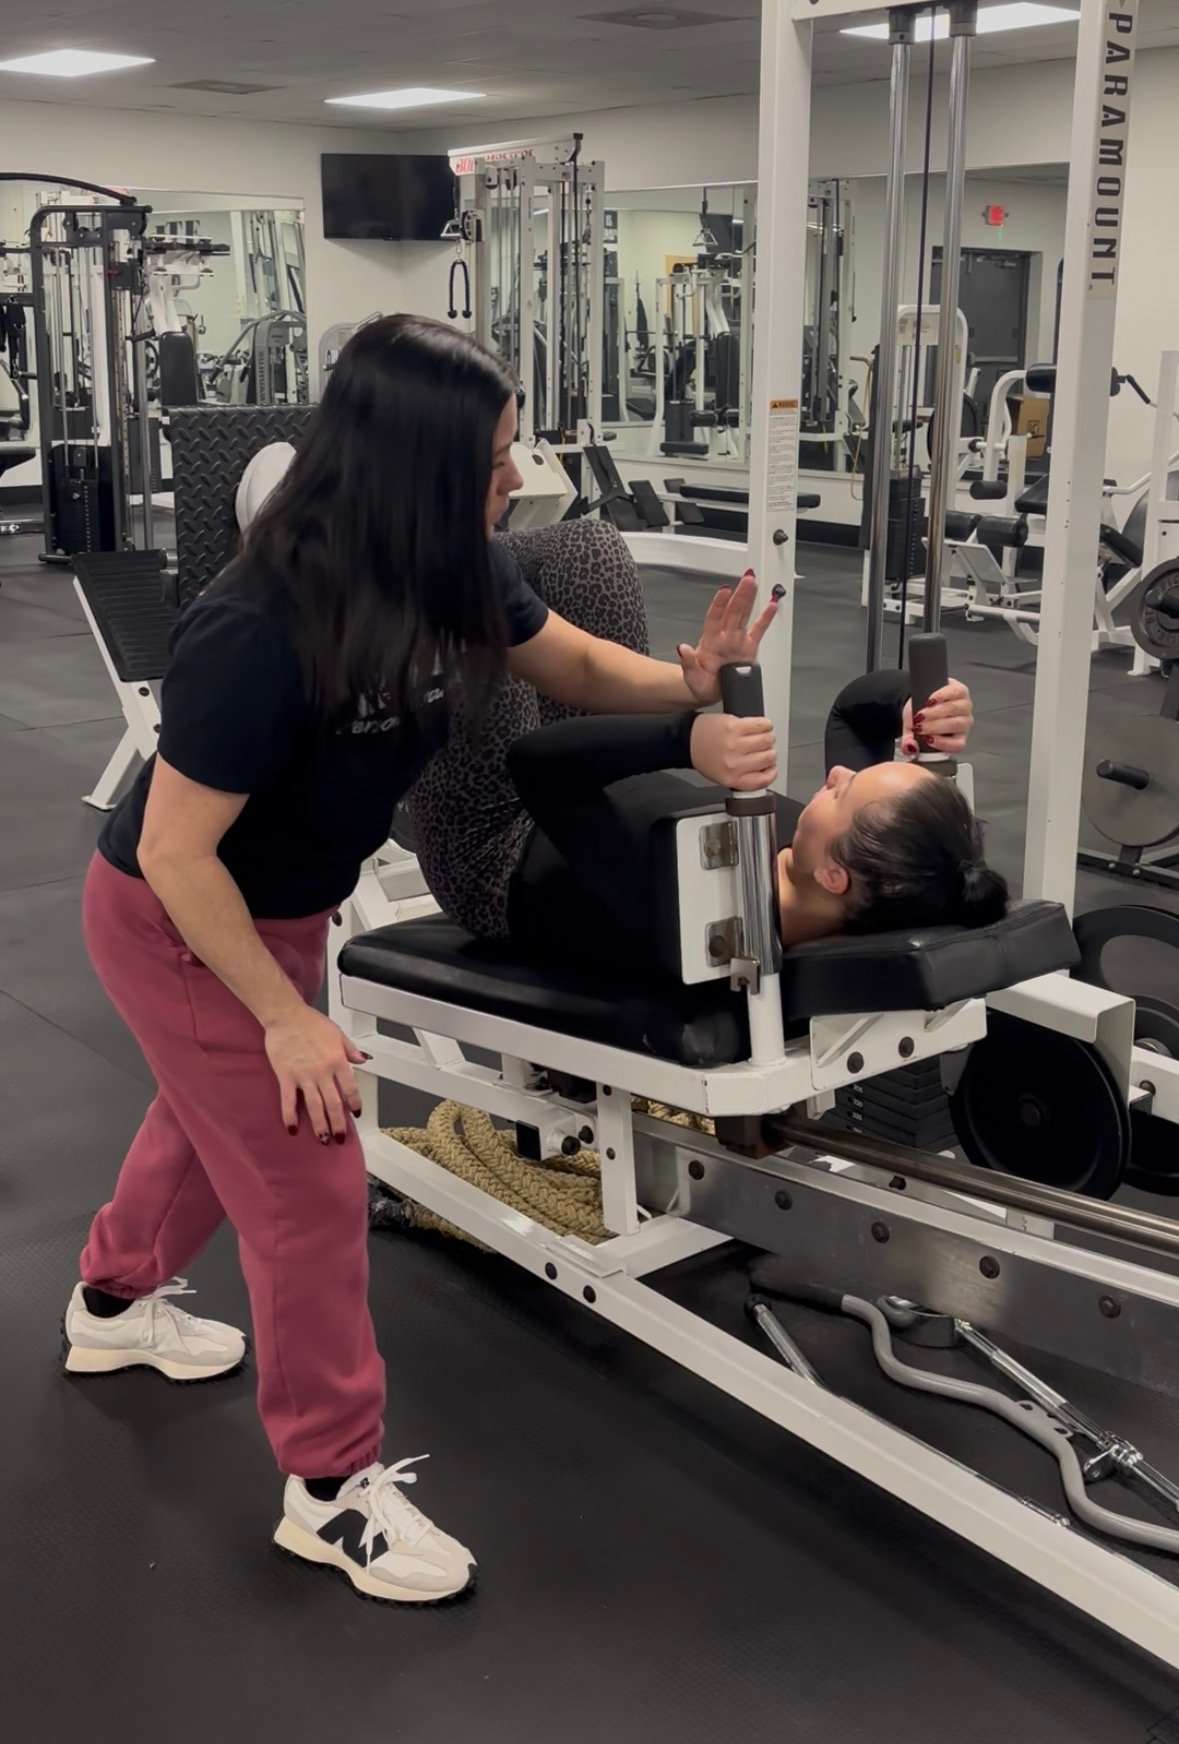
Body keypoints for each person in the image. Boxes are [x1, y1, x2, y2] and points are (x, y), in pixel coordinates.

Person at [64, 313, 776, 1606]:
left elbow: (564, 657)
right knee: (306, 1177)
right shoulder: (258, 625)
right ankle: (330, 1495)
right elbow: (174, 851)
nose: (518, 476)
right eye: (498, 455)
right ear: (416, 464)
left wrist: (688, 694)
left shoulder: (456, 558)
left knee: (206, 1124)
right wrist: (283, 1017)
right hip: (178, 915)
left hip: (271, 908)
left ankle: (109, 1307)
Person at [503, 666, 1008, 977]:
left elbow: (533, 766)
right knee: (592, 551)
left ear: (835, 875)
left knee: (473, 620)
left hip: (508, 835)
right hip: (590, 770)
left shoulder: (693, 898)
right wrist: (921, 703)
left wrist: (685, 739)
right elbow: (853, 711)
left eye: (843, 791)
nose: (835, 773)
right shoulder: (854, 875)